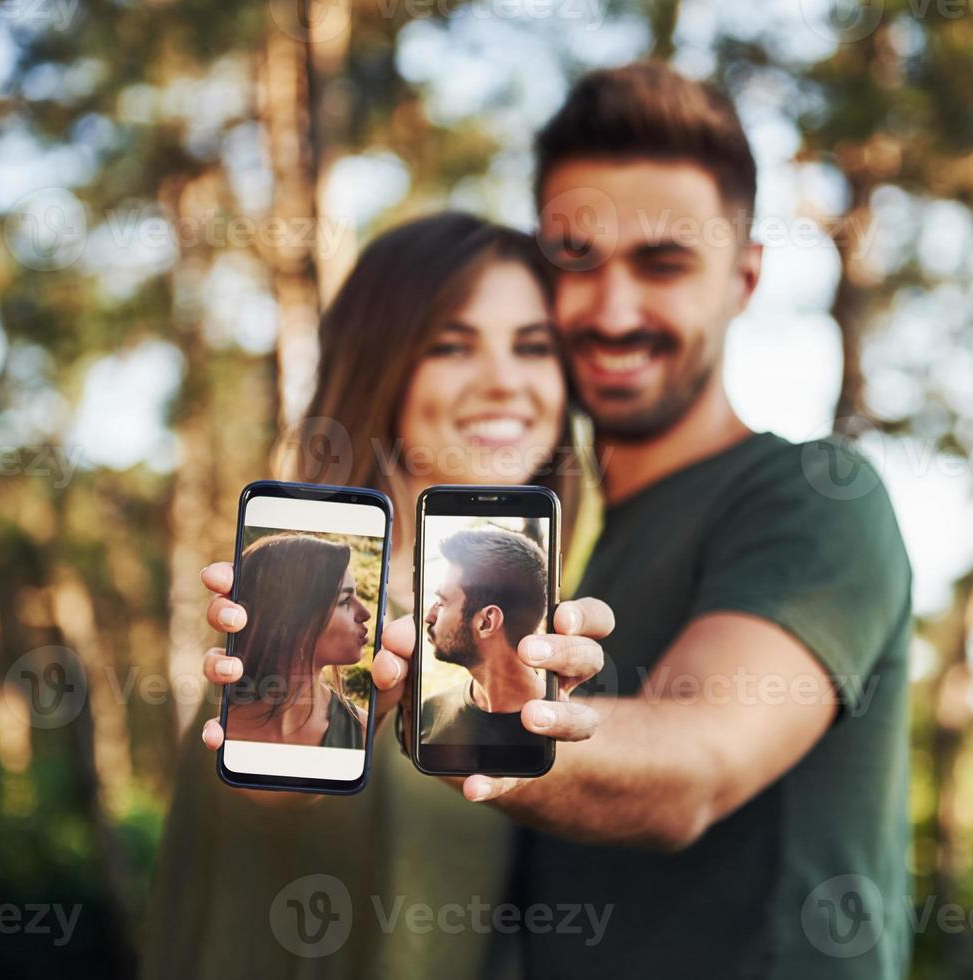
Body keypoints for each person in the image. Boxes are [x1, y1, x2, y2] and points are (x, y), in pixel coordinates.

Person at [368, 63, 915, 979]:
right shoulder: (560, 551)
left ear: (743, 279)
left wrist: (483, 720)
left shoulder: (817, 499)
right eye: (575, 261)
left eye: (662, 263)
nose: (613, 310)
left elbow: (693, 765)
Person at [142, 212, 611, 980]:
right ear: (383, 362)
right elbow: (282, 785)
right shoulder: (315, 584)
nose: (506, 379)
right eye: (453, 344)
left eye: (534, 345)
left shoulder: (546, 626)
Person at [222, 533, 370, 750]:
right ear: (290, 619)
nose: (365, 613)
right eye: (345, 600)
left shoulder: (365, 732)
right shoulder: (220, 734)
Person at [421, 526, 550, 747]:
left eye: (442, 603)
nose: (429, 617)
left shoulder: (557, 731)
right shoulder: (431, 712)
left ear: (486, 622)